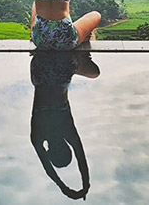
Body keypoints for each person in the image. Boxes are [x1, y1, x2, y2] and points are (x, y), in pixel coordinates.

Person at [30, 50, 99, 200]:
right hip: (39, 69)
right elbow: (48, 168)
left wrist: (85, 185)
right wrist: (63, 187)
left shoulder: (68, 133)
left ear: (68, 147)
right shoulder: (37, 137)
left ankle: (81, 53)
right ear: (48, 152)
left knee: (95, 72)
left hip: (64, 67)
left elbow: (81, 157)